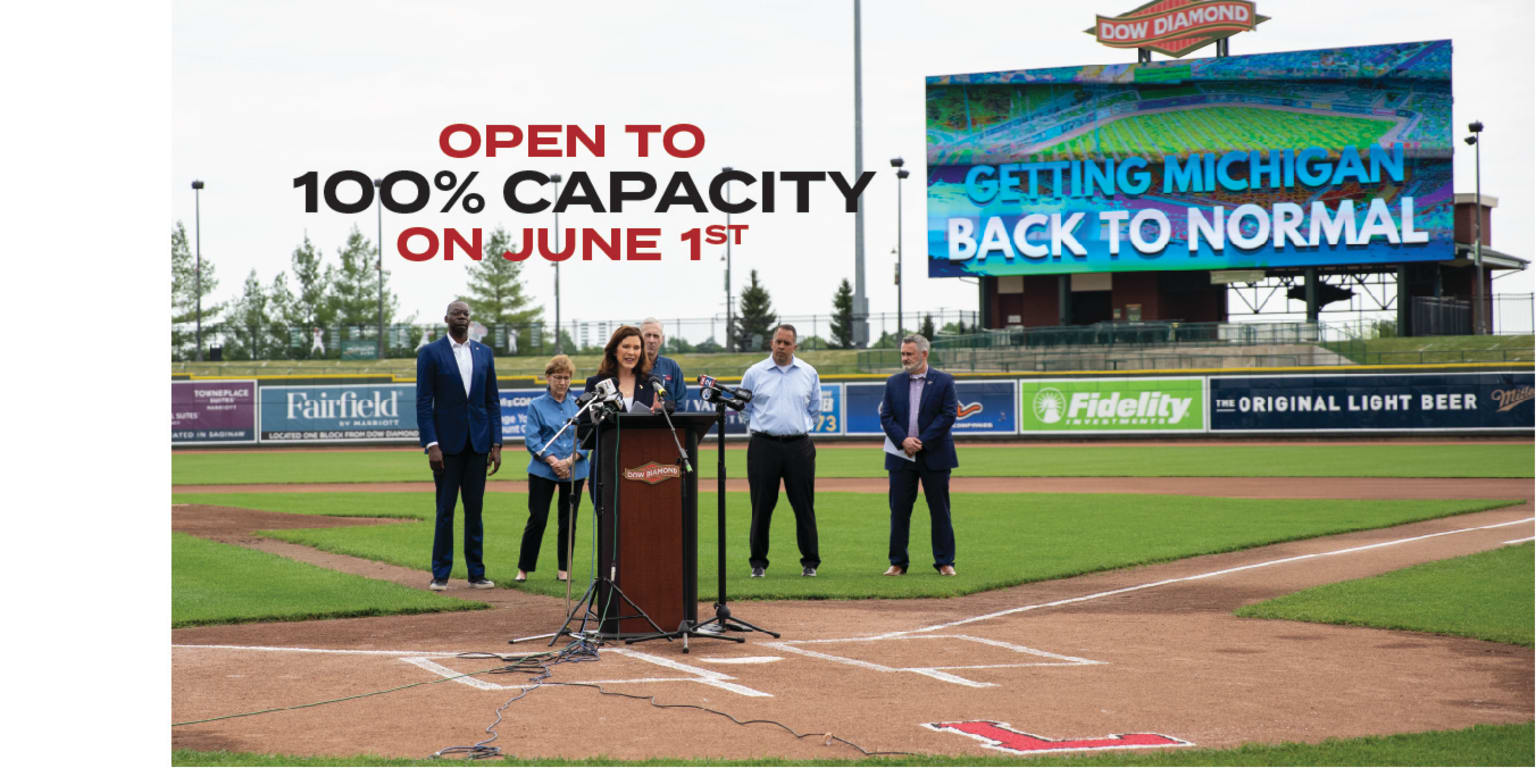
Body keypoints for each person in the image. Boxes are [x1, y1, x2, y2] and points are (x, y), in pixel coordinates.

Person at [416, 300, 503, 591]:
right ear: (447, 319)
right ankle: (440, 574)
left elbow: (492, 401)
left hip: (478, 443)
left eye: (466, 313)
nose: (462, 317)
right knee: (445, 510)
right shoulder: (430, 353)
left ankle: (476, 573)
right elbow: (424, 402)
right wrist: (431, 444)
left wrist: (497, 444)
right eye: (457, 313)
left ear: (470, 320)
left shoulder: (484, 353)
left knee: (474, 511)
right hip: (446, 446)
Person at [740, 324, 821, 578]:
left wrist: (797, 426)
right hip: (764, 445)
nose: (782, 347)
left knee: (804, 506)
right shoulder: (755, 373)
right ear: (771, 343)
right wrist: (763, 427)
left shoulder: (808, 372)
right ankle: (758, 563)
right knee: (761, 506)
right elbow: (744, 407)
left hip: (799, 446)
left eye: (787, 343)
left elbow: (815, 409)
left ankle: (810, 562)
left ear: (795, 346)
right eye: (778, 342)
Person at [879, 334, 959, 576]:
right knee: (899, 510)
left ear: (924, 354)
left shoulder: (944, 381)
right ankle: (897, 563)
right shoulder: (893, 383)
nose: (904, 358)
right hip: (901, 456)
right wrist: (903, 440)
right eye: (902, 354)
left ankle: (945, 562)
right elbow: (886, 417)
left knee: (940, 510)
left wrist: (921, 442)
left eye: (909, 354)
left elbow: (948, 415)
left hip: (934, 454)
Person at [518, 355, 587, 583]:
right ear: (548, 378)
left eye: (566, 378)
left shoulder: (579, 406)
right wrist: (554, 462)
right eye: (558, 377)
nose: (562, 382)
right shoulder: (536, 405)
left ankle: (563, 570)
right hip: (543, 469)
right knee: (537, 518)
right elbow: (532, 438)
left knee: (568, 522)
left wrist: (568, 462)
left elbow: (587, 439)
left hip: (574, 469)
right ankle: (524, 569)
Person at [580, 325, 660, 413]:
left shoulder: (651, 383)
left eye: (636, 348)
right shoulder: (596, 383)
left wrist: (659, 413)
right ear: (614, 350)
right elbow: (584, 425)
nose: (631, 352)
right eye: (626, 346)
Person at [640, 317, 686, 411]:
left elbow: (681, 403)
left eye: (656, 336)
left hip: (667, 423)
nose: (651, 340)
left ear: (662, 339)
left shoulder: (672, 367)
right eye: (647, 335)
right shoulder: (630, 367)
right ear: (640, 337)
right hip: (637, 423)